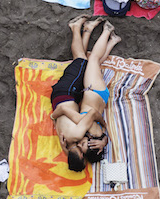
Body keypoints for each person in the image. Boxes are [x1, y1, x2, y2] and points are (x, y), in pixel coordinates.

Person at [50, 17, 120, 171]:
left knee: (89, 62)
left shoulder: (84, 136)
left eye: (81, 147)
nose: (82, 145)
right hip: (92, 92)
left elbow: (93, 134)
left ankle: (108, 38)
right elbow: (91, 117)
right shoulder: (82, 134)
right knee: (90, 60)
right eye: (84, 146)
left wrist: (104, 138)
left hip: (91, 95)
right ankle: (106, 31)